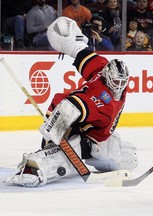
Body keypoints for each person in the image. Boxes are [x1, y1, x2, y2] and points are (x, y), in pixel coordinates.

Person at [5, 16, 137, 187]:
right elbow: (80, 54)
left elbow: (75, 103)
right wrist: (69, 40)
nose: (118, 87)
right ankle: (44, 160)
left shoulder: (105, 88)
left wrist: (55, 126)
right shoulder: (101, 76)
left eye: (121, 83)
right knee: (70, 142)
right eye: (115, 82)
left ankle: (50, 156)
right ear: (106, 75)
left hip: (94, 132)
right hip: (85, 127)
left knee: (108, 149)